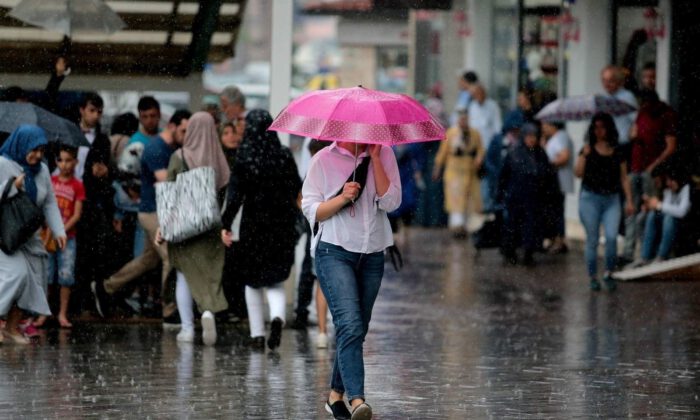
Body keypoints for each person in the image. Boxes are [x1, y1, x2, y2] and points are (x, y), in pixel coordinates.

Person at [301, 134, 401, 419]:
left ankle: (335, 396)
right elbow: (312, 210)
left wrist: (377, 159)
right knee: (350, 323)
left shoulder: (385, 155)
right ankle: (357, 400)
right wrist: (343, 197)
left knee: (356, 328)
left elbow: (392, 202)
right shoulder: (323, 160)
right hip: (334, 251)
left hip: (372, 254)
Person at [93, 110, 190, 319]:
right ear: (172, 126)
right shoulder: (156, 148)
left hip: (157, 211)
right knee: (171, 258)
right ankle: (170, 308)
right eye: (183, 130)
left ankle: (106, 287)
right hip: (152, 212)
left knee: (148, 260)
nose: (186, 135)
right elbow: (164, 182)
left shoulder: (170, 147)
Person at [221, 110, 302, 351]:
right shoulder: (284, 155)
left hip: (253, 228)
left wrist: (225, 224)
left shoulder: (245, 158)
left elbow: (234, 197)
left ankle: (257, 335)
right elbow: (296, 187)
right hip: (281, 226)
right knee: (275, 280)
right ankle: (277, 317)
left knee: (252, 282)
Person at [162, 112, 230, 345]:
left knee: (183, 275)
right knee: (210, 277)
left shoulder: (179, 156)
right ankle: (208, 313)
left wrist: (165, 226)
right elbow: (225, 194)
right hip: (211, 227)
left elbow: (169, 193)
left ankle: (188, 328)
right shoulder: (219, 159)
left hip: (184, 226)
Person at [0, 125, 66, 344]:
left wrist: (58, 230)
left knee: (35, 281)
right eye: (33, 149)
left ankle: (11, 327)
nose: (37, 155)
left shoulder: (42, 170)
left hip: (27, 236)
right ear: (21, 145)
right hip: (5, 236)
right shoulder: (3, 164)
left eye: (41, 150)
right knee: (17, 275)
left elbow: (49, 202)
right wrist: (11, 187)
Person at [575, 112, 634, 291]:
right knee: (592, 239)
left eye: (603, 127)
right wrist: (584, 156)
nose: (599, 131)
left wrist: (629, 200)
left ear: (609, 128)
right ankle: (593, 276)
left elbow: (624, 178)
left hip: (611, 199)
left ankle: (608, 272)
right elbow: (577, 173)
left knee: (611, 237)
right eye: (596, 127)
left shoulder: (618, 150)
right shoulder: (587, 149)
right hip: (590, 198)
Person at [622, 89, 677, 263]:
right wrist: (633, 135)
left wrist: (654, 166)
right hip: (636, 166)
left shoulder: (666, 114)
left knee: (649, 211)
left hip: (651, 170)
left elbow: (671, 146)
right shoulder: (641, 113)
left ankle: (647, 251)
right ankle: (629, 252)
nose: (642, 107)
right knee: (631, 209)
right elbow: (633, 135)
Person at [36, 145, 85, 328]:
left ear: (75, 162)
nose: (64, 165)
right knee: (46, 275)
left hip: (68, 237)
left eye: (68, 160)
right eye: (60, 160)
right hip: (49, 235)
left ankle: (62, 313)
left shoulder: (77, 185)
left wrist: (61, 229)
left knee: (66, 276)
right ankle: (43, 313)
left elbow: (77, 214)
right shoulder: (51, 181)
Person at [497, 124, 557, 266]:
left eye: (534, 136)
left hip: (534, 197)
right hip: (515, 197)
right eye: (529, 136)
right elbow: (504, 176)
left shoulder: (540, 154)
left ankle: (528, 253)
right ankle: (510, 252)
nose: (531, 139)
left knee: (531, 226)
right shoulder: (513, 153)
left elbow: (548, 176)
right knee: (513, 226)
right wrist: (501, 195)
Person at [432, 109, 483, 238]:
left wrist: (479, 159)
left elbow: (480, 150)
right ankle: (457, 227)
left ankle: (466, 227)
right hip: (454, 171)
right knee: (455, 200)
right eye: (461, 119)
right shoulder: (450, 133)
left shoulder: (475, 134)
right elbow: (442, 153)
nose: (463, 121)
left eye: (465, 119)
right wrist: (437, 168)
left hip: (469, 171)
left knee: (469, 200)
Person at [634, 167, 691, 265]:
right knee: (652, 215)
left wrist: (659, 205)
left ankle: (661, 256)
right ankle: (645, 256)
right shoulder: (668, 191)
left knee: (669, 218)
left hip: (683, 225)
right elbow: (664, 208)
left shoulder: (687, 188)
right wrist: (652, 205)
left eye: (671, 180)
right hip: (667, 225)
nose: (669, 183)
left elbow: (682, 211)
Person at [219, 121, 246, 322]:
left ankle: (237, 307)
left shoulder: (243, 159)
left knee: (236, 265)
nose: (231, 136)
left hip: (239, 219)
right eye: (226, 132)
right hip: (222, 218)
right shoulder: (217, 160)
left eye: (234, 132)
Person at [468, 84, 502, 212]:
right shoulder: (472, 107)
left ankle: (489, 205)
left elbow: (497, 127)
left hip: (489, 147)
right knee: (478, 176)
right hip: (476, 148)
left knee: (489, 175)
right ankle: (481, 204)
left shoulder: (492, 106)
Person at [542, 121, 575, 254]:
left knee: (557, 212)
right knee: (553, 211)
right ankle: (554, 238)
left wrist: (549, 163)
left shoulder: (561, 136)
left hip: (558, 182)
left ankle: (559, 240)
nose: (543, 128)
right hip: (553, 183)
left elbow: (564, 156)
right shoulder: (554, 139)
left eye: (545, 125)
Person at [483, 111, 526, 213]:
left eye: (518, 128)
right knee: (498, 207)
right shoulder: (498, 140)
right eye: (514, 128)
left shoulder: (521, 142)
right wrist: (494, 173)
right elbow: (489, 159)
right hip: (498, 180)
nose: (516, 131)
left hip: (514, 182)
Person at [600, 65, 637, 147]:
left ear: (618, 81)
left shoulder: (627, 97)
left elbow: (636, 120)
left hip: (622, 144)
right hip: (608, 144)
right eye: (604, 81)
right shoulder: (604, 97)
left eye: (610, 81)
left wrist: (631, 136)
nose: (606, 84)